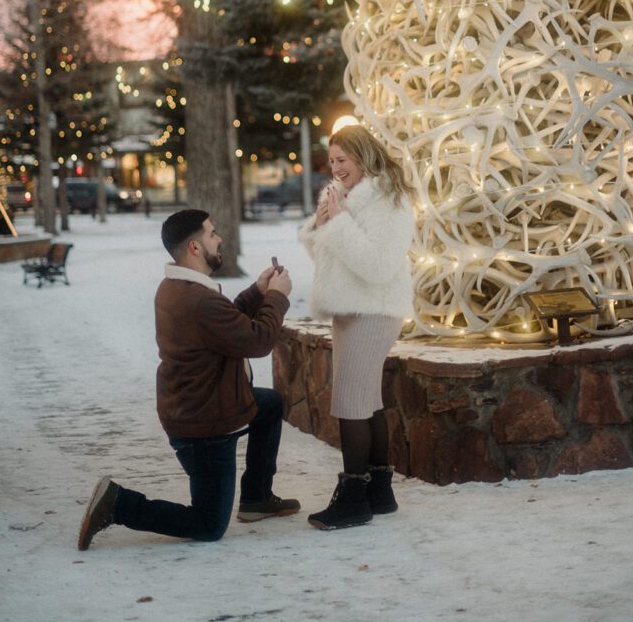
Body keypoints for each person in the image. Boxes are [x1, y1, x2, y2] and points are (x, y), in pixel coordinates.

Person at [77, 208, 300, 549]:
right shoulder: (198, 301)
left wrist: (256, 292)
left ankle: (256, 497)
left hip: (198, 407)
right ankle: (118, 503)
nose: (220, 238)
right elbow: (257, 340)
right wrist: (277, 297)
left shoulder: (177, 286)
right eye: (212, 234)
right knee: (209, 525)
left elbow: (227, 325)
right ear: (195, 248)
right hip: (205, 429)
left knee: (268, 405)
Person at [300, 125, 415, 530]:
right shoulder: (344, 198)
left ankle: (353, 498)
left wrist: (340, 223)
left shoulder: (389, 202)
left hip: (375, 309)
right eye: (331, 161)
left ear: (363, 156)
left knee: (350, 399)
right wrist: (321, 224)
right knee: (366, 399)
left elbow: (378, 267)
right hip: (349, 309)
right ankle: (379, 491)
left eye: (342, 160)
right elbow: (330, 258)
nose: (335, 168)